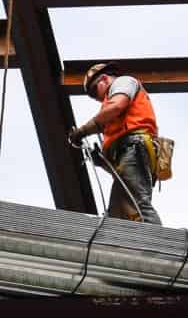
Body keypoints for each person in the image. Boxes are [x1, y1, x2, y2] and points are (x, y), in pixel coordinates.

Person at [66, 61, 161, 224]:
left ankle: (162, 245)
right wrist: (102, 161)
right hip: (130, 149)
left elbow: (116, 106)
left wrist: (83, 130)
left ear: (104, 78)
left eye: (95, 90)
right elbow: (122, 169)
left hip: (134, 145)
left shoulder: (123, 82)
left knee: (137, 204)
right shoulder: (113, 115)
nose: (98, 98)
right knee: (118, 211)